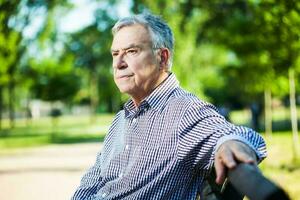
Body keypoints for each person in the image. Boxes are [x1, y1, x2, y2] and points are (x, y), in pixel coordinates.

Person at [72, 13, 267, 200]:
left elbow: (236, 135)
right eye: (115, 53)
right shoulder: (122, 118)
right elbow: (94, 178)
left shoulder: (184, 111)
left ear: (162, 58)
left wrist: (230, 143)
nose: (119, 63)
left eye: (132, 51)